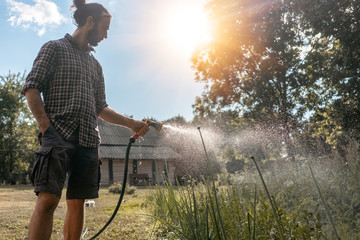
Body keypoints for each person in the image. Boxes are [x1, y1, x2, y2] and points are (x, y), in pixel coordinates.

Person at [21, 0, 150, 239]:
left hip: (89, 140)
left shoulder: (95, 66)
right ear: (90, 22)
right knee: (49, 199)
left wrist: (132, 124)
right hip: (57, 134)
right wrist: (46, 128)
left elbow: (100, 107)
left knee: (78, 202)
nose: (106, 35)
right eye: (105, 27)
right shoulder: (54, 48)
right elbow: (32, 88)